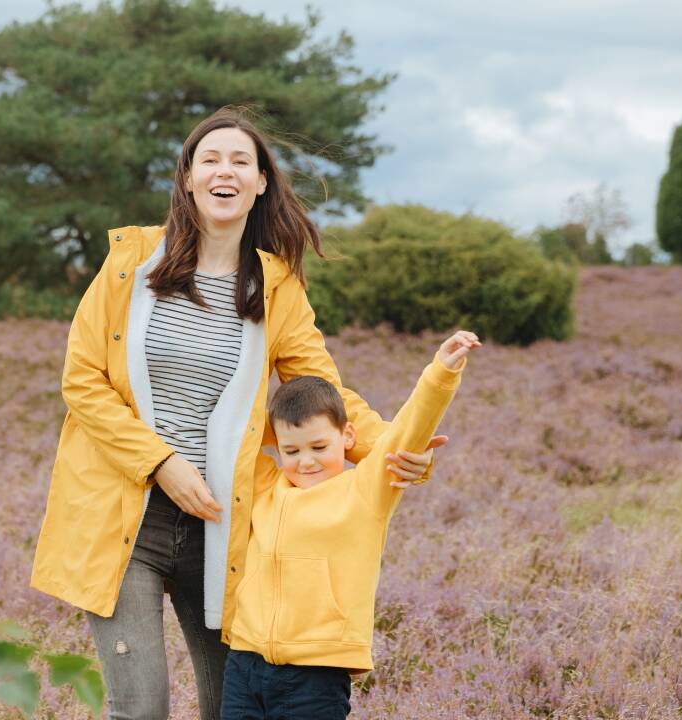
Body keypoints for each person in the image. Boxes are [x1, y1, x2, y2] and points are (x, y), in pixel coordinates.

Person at [29, 107, 444, 720]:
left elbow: (319, 387)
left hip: (223, 523)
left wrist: (390, 447)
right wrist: (162, 463)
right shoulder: (130, 264)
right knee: (139, 707)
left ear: (259, 185)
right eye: (211, 159)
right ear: (189, 179)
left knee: (229, 706)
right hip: (123, 515)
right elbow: (83, 380)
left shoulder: (275, 285)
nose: (225, 171)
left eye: (240, 162)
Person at [221, 330, 479, 719]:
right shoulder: (265, 485)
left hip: (315, 674)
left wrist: (440, 372)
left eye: (319, 447)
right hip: (244, 664)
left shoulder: (364, 491)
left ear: (347, 436)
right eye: (291, 450)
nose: (305, 461)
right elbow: (235, 427)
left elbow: (406, 433)